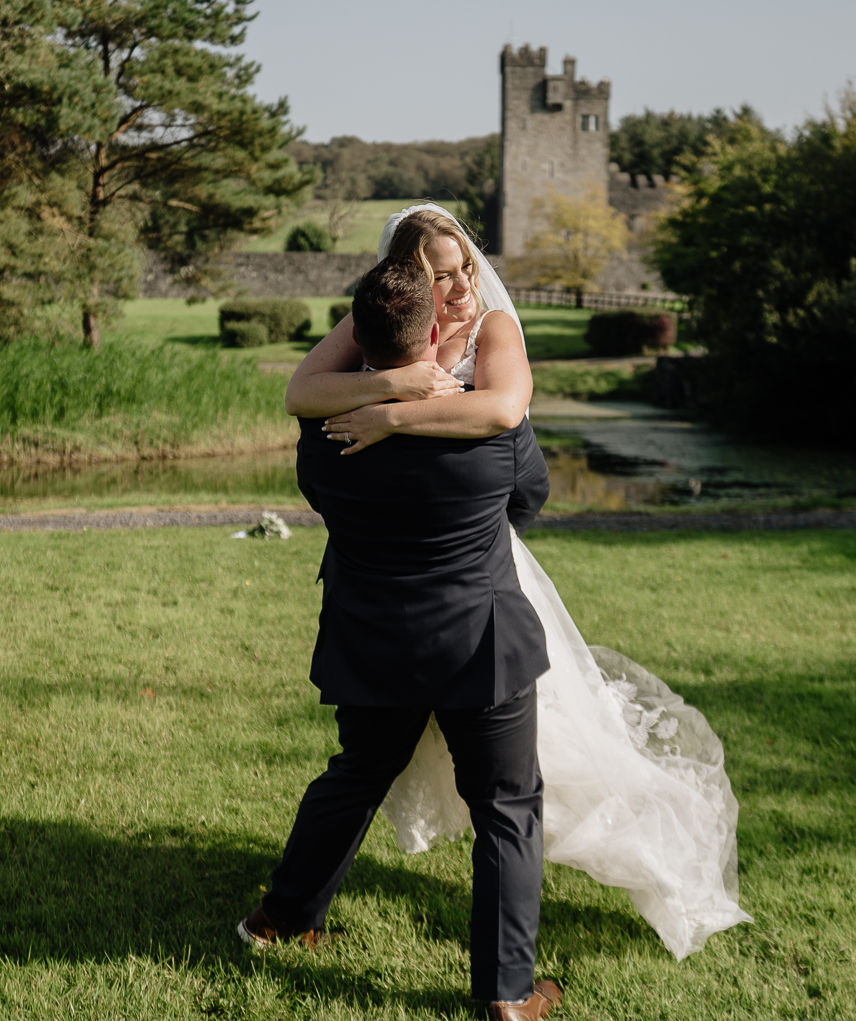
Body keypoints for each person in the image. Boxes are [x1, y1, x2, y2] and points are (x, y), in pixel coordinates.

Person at [288, 203, 751, 961]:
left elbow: (503, 406)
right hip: (467, 603)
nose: (465, 287)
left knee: (390, 766)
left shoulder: (496, 330)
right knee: (490, 794)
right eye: (443, 276)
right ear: (407, 282)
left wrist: (396, 417)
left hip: (424, 587)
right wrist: (403, 382)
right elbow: (302, 394)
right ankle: (504, 986)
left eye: (467, 266)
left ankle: (282, 914)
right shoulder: (383, 319)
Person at [241, 258, 564, 1021]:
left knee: (356, 772)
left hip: (372, 634)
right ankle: (507, 996)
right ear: (430, 332)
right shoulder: (488, 427)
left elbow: (321, 494)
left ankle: (281, 919)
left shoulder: (324, 435)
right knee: (507, 808)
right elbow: (532, 495)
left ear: (357, 336)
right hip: (479, 639)